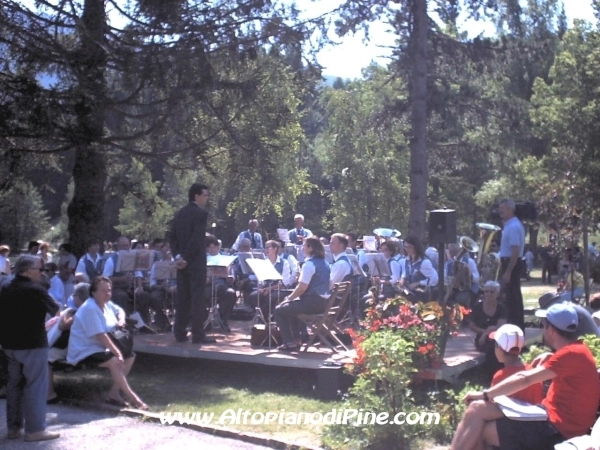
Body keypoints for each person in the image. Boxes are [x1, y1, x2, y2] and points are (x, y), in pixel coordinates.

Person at [450, 303, 600, 450]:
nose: (542, 330)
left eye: (543, 325)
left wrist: (485, 394)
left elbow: (524, 379)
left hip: (556, 429)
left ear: (551, 330)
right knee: (477, 409)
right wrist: (550, 356)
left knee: (480, 429)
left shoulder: (571, 354)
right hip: (549, 419)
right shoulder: (576, 351)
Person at [0, 255, 60, 442]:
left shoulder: (5, 286)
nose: (42, 273)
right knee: (35, 386)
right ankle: (35, 430)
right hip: (33, 344)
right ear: (28, 271)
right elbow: (56, 311)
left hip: (9, 345)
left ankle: (13, 429)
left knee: (14, 386)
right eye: (40, 270)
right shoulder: (36, 290)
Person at [67, 277, 147, 410]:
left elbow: (120, 310)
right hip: (84, 350)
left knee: (130, 356)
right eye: (103, 291)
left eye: (109, 290)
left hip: (99, 347)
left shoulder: (106, 304)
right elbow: (101, 335)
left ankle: (113, 394)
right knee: (115, 361)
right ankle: (134, 399)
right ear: (93, 292)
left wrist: (121, 320)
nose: (107, 293)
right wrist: (117, 352)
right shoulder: (90, 308)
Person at [169, 183, 215, 344]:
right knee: (197, 299)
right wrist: (186, 259)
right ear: (196, 196)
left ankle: (179, 332)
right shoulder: (201, 214)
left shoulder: (179, 213)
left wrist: (178, 257)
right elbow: (197, 239)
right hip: (195, 263)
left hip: (181, 263)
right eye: (205, 195)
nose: (206, 198)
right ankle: (198, 334)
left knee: (183, 298)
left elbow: (172, 237)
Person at [273, 236, 331, 352]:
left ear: (310, 248)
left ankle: (289, 342)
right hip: (324, 303)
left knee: (279, 310)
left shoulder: (309, 264)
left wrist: (288, 298)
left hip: (312, 303)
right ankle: (296, 340)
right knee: (291, 309)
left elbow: (302, 288)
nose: (301, 248)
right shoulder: (325, 263)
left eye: (304, 246)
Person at [498, 198, 526, 331]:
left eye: (502, 208)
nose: (500, 211)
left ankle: (517, 327)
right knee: (510, 298)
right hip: (508, 262)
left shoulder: (513, 226)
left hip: (511, 264)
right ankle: (514, 327)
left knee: (513, 299)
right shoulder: (508, 225)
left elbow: (515, 251)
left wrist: (508, 271)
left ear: (510, 209)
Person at [247, 240, 291, 320]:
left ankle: (267, 319)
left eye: (268, 247)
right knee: (253, 297)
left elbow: (284, 282)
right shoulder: (264, 262)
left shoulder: (284, 263)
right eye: (265, 247)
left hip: (279, 290)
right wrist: (261, 287)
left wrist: (270, 288)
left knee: (270, 298)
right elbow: (261, 279)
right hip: (266, 288)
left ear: (275, 249)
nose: (266, 250)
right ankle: (263, 318)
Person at [468, 280, 507, 373]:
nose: (489, 294)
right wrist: (485, 332)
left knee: (494, 347)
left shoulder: (501, 308)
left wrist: (486, 333)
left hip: (497, 338)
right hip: (481, 339)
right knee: (490, 348)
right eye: (486, 291)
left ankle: (497, 373)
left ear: (497, 294)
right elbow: (472, 326)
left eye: (492, 292)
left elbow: (500, 327)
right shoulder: (477, 307)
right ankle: (491, 373)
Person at [398, 235, 438, 303]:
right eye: (405, 247)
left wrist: (418, 283)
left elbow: (434, 279)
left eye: (409, 247)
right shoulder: (407, 260)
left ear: (416, 247)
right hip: (410, 295)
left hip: (421, 297)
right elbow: (408, 270)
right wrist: (402, 278)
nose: (407, 249)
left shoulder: (424, 262)